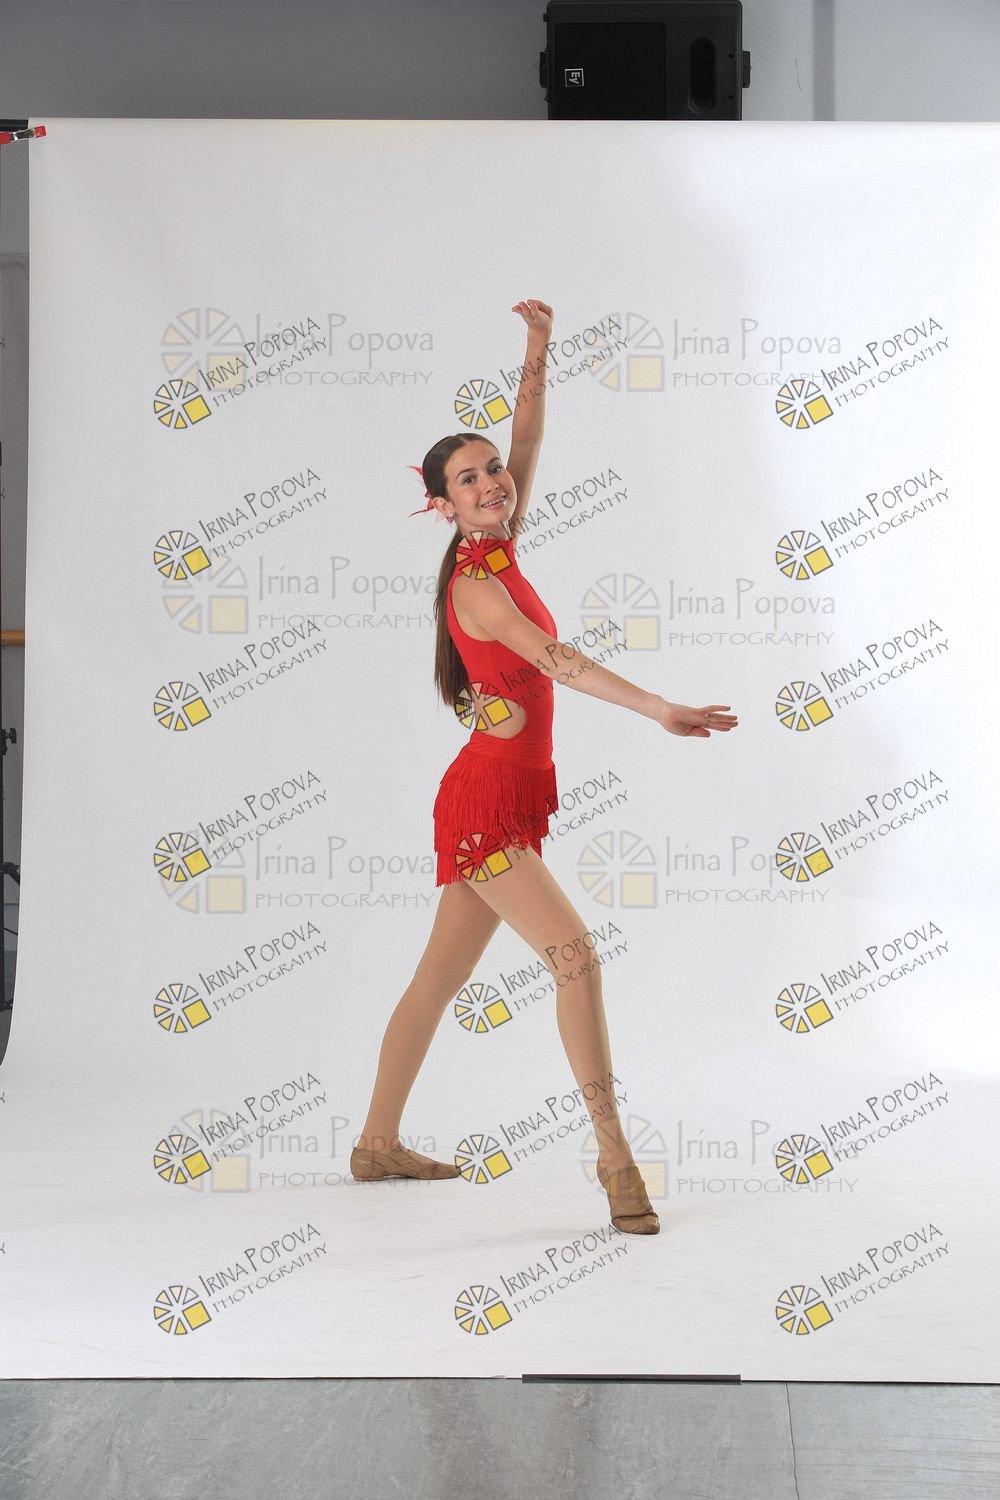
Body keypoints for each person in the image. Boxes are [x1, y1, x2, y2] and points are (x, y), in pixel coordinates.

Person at [351, 300, 739, 1234]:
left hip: (503, 793)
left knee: (434, 983)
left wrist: (535, 347)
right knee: (575, 958)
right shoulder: (478, 583)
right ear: (440, 506)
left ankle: (375, 1145)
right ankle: (615, 1159)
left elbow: (526, 436)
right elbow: (558, 660)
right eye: (470, 479)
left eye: (492, 471)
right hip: (484, 805)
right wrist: (658, 707)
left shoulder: (497, 540)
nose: (493, 482)